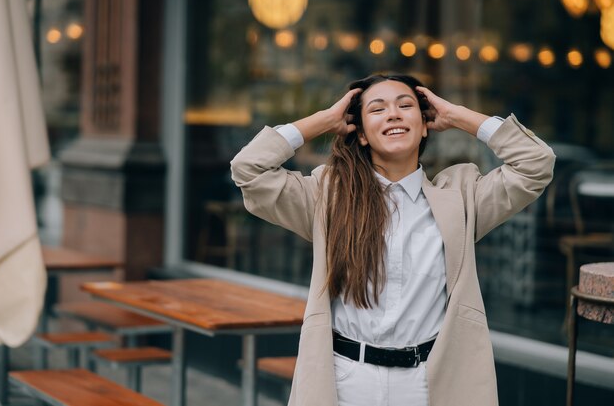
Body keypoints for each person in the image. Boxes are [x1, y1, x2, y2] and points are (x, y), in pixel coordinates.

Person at [230, 74, 555, 406]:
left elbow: (536, 164)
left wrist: (459, 116)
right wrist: (324, 121)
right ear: (361, 133)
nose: (394, 114)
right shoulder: (327, 196)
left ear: (425, 124)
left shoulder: (461, 197)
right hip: (345, 380)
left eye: (405, 105)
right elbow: (248, 170)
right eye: (377, 109)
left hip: (428, 383)